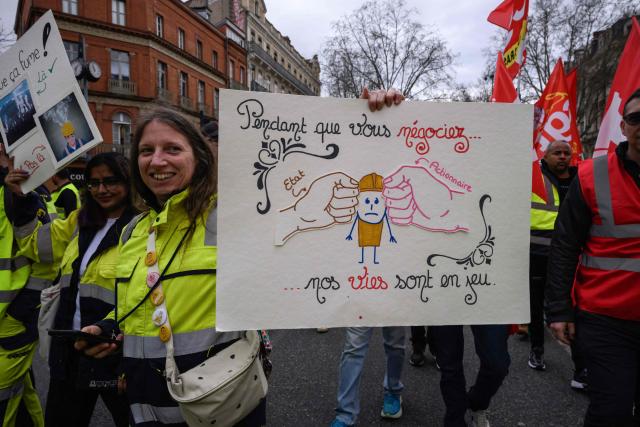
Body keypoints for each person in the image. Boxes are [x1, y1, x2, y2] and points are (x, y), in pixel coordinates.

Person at [77, 108, 266, 426]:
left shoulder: (234, 218)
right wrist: (110, 330)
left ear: (199, 158)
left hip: (218, 406)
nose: (157, 161)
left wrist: (366, 121)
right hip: (145, 406)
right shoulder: (133, 230)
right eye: (146, 151)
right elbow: (137, 308)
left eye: (173, 149)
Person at [6, 153, 134, 427]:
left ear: (129, 182)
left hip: (120, 355)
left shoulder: (144, 226)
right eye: (94, 182)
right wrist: (23, 198)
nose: (102, 189)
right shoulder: (81, 220)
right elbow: (38, 246)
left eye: (111, 181)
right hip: (72, 352)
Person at [546, 89, 640, 426]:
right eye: (635, 118)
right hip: (605, 319)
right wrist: (559, 309)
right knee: (611, 410)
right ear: (624, 126)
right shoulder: (591, 176)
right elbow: (565, 245)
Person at [330, 88, 406, 427]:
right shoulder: (358, 177)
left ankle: (394, 390)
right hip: (361, 280)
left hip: (396, 279)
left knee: (395, 342)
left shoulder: (392, 186)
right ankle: (346, 414)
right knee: (353, 346)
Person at [0, 144, 51, 427]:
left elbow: (47, 258)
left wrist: (23, 311)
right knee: (19, 395)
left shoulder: (25, 192)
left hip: (10, 322)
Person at [528, 140, 583, 374]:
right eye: (557, 153)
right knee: (535, 305)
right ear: (545, 155)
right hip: (537, 255)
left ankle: (581, 367)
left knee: (574, 309)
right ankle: (537, 350)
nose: (562, 156)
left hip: (572, 257)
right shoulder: (532, 178)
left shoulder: (581, 179)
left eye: (566, 153)